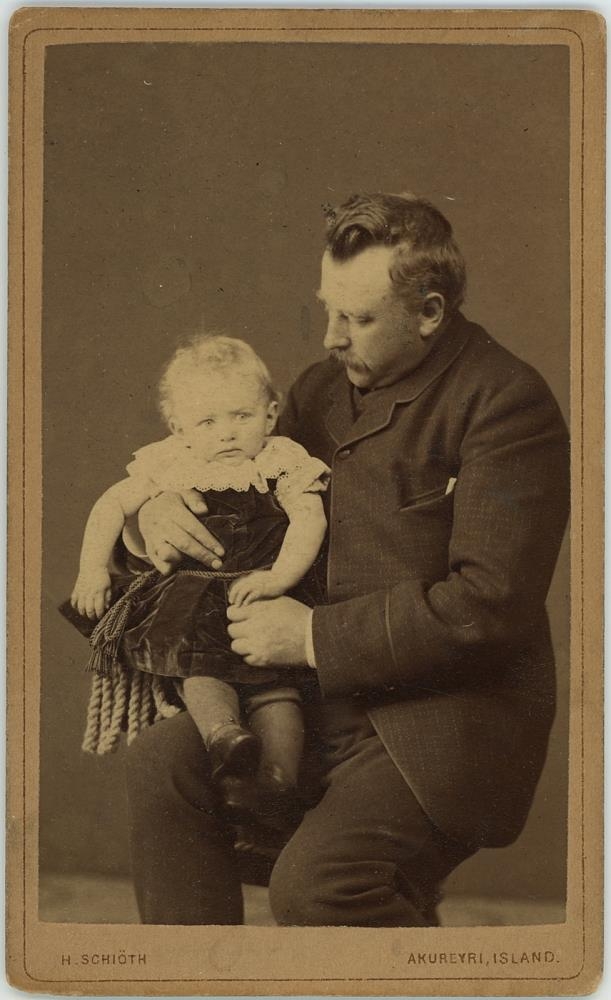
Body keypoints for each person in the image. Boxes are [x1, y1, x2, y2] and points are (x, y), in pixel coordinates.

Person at [124, 192, 570, 926]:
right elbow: (243, 502)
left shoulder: (505, 402)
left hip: (437, 723)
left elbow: (489, 604)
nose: (331, 337)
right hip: (305, 702)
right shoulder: (320, 389)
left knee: (319, 887)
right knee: (161, 763)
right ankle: (195, 977)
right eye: (327, 310)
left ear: (429, 312)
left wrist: (309, 636)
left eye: (358, 319)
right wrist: (155, 515)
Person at [66, 334, 328, 825]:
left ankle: (276, 785)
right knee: (199, 671)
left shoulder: (281, 461)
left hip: (261, 599)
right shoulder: (173, 463)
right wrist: (92, 569)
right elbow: (111, 505)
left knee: (278, 693)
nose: (227, 433)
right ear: (180, 428)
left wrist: (278, 578)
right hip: (197, 599)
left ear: (270, 414)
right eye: (208, 422)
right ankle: (226, 738)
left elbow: (310, 519)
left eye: (241, 416)